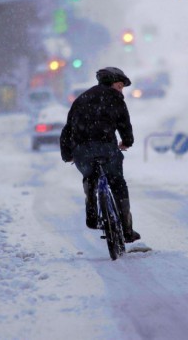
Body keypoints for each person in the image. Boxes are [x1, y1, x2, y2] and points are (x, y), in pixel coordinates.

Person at [60, 67, 141, 243]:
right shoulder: (115, 99)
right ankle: (127, 230)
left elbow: (67, 129)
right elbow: (124, 124)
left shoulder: (81, 99)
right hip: (106, 148)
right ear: (112, 83)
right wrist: (126, 142)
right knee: (117, 182)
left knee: (90, 177)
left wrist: (68, 155)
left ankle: (92, 215)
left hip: (82, 152)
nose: (121, 91)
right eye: (120, 86)